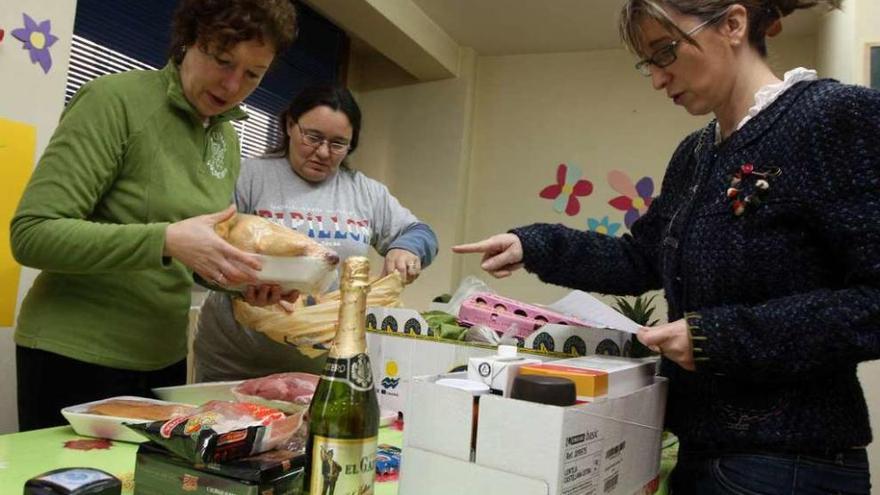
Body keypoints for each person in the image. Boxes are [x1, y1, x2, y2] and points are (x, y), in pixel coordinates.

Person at [454, 1, 878, 493]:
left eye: (666, 52)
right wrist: (535, 245)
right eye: (648, 63)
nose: (657, 79)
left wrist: (717, 339)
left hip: (789, 464)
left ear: (734, 24)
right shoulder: (694, 155)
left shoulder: (835, 118)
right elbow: (642, 259)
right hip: (700, 450)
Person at [10, 0, 298, 431]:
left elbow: (192, 256)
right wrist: (164, 240)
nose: (234, 84)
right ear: (188, 39)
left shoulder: (226, 140)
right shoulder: (115, 101)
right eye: (222, 60)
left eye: (253, 74)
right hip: (75, 355)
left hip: (164, 361)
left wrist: (244, 283)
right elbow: (32, 234)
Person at [193, 85, 438, 381]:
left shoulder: (365, 193)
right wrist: (240, 285)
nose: (323, 152)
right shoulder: (247, 176)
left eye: (338, 144)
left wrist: (408, 247)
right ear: (289, 125)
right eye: (313, 137)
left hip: (328, 367)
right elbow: (202, 250)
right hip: (237, 360)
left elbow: (420, 232)